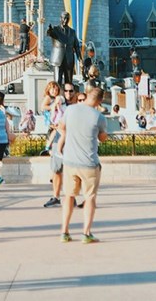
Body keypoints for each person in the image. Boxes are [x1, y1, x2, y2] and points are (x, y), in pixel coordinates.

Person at [57, 84, 107, 243]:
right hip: (89, 163)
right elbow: (102, 138)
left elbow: (61, 127)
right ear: (99, 101)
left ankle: (64, 232)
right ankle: (86, 233)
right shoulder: (98, 117)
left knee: (69, 196)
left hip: (70, 160)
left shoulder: (71, 110)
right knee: (90, 198)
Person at [47, 12, 81, 87]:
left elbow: (77, 46)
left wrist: (80, 59)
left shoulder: (72, 32)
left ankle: (68, 97)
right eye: (64, 18)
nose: (65, 20)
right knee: (57, 82)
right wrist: (49, 30)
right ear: (60, 18)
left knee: (69, 82)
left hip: (69, 59)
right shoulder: (55, 29)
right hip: (58, 58)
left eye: (67, 19)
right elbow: (50, 33)